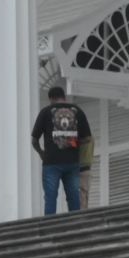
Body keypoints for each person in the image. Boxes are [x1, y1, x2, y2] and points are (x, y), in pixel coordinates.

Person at [31, 84, 93, 217]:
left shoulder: (46, 112)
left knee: (50, 198)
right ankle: (76, 224)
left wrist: (42, 153)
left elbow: (34, 140)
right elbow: (87, 139)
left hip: (51, 162)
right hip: (72, 162)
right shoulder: (77, 111)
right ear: (64, 97)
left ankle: (50, 226)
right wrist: (73, 143)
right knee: (74, 198)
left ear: (51, 99)